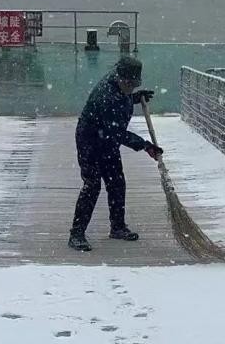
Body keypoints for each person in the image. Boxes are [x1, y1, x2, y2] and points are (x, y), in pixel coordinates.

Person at [69, 56, 164, 252]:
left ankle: (118, 227)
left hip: (108, 141)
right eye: (129, 84)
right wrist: (145, 145)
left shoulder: (120, 87)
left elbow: (122, 99)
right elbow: (116, 132)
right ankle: (76, 234)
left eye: (135, 84)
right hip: (90, 141)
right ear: (120, 78)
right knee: (92, 185)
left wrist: (134, 97)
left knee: (116, 182)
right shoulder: (106, 95)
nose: (131, 87)